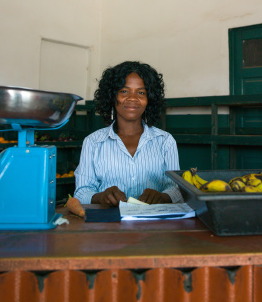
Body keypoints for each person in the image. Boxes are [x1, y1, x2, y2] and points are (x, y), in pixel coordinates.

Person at [73, 61, 183, 207]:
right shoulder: (93, 142)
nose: (132, 98)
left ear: (149, 100)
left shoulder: (165, 141)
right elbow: (81, 192)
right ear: (112, 96)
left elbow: (177, 189)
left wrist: (163, 196)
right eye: (124, 91)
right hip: (109, 224)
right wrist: (100, 196)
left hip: (154, 225)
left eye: (141, 92)